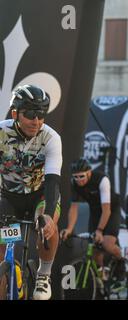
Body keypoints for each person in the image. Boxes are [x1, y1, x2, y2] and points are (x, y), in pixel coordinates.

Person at [0, 85, 62, 300]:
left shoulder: (51, 138)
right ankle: (9, 273)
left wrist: (48, 215)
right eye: (31, 114)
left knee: (48, 225)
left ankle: (44, 274)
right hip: (9, 197)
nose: (36, 121)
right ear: (15, 113)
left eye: (41, 115)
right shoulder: (1, 133)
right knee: (2, 256)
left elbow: (53, 181)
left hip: (40, 195)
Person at [61, 158, 122, 270]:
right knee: (94, 250)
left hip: (111, 209)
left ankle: (121, 263)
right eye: (76, 177)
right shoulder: (73, 183)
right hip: (95, 211)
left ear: (89, 172)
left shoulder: (102, 180)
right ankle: (101, 281)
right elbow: (74, 208)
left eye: (82, 176)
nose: (79, 180)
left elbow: (106, 210)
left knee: (107, 245)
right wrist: (69, 229)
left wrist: (99, 230)